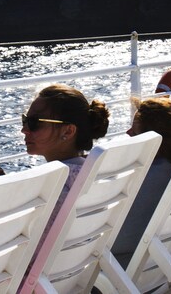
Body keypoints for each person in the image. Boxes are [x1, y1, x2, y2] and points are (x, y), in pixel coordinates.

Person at [112, 97, 171, 267]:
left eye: (134, 132)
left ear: (156, 142)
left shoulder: (142, 183)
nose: (127, 133)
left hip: (120, 271)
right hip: (163, 265)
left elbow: (117, 242)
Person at [21, 84, 110, 233]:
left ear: (68, 131)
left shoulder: (52, 189)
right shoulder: (95, 177)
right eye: (25, 120)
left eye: (34, 122)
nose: (24, 130)